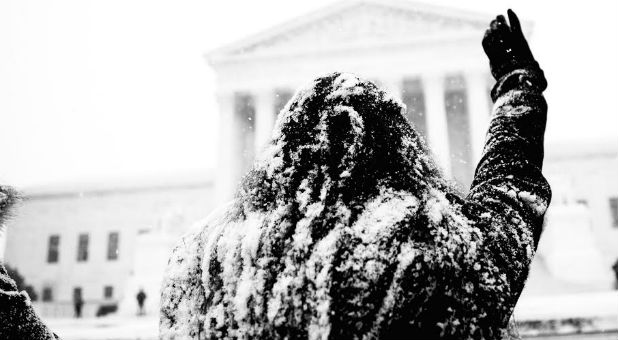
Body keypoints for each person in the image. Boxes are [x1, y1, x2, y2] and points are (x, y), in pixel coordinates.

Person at [160, 9, 550, 340]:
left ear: (282, 153)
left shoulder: (204, 261)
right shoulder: (441, 255)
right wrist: (518, 86)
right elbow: (509, 191)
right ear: (400, 149)